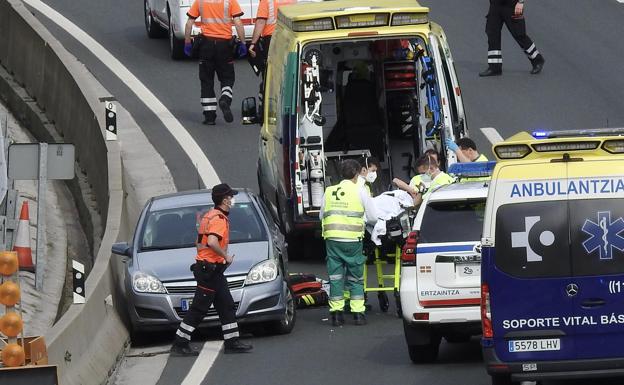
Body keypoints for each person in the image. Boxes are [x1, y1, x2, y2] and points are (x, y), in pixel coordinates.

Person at [171, 183, 252, 356]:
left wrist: (207, 258)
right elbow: (212, 242)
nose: (232, 201)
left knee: (226, 305)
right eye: (230, 197)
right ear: (224, 200)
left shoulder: (208, 217)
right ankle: (180, 342)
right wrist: (225, 257)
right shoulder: (219, 220)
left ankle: (232, 342)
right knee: (199, 308)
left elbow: (199, 244)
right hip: (210, 271)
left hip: (210, 269)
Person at [320, 159, 378, 326]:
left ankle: (336, 314)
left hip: (332, 240)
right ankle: (358, 313)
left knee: (335, 277)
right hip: (352, 240)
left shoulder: (329, 191)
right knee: (355, 277)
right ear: (356, 174)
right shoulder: (360, 191)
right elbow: (373, 216)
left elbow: (321, 215)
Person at [183, 0, 247, 125]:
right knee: (227, 78)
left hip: (206, 45)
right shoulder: (230, 1)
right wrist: (243, 42)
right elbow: (238, 22)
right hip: (224, 46)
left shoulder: (201, 1)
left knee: (206, 80)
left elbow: (189, 23)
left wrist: (187, 42)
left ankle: (209, 116)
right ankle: (225, 99)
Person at [479, 0, 545, 77]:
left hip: (512, 4)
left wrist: (520, 2)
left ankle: (537, 60)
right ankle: (494, 67)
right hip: (495, 4)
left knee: (519, 34)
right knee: (492, 32)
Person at [248, 0, 278, 119]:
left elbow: (261, 21)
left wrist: (253, 43)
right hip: (288, 39)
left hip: (271, 40)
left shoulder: (267, 1)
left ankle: (264, 110)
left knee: (269, 75)